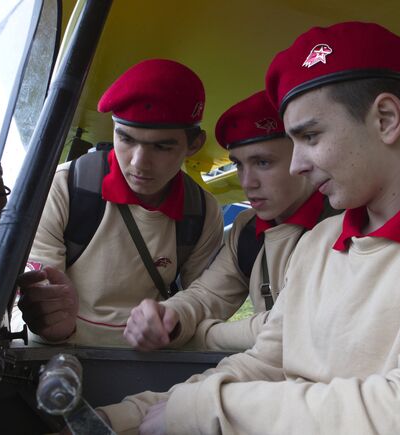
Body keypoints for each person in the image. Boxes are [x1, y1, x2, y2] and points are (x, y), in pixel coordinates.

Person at [99, 22, 400, 434]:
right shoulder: (319, 244)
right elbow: (265, 364)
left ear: (386, 119)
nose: (297, 164)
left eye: (310, 137)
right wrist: (133, 413)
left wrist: (201, 410)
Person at [15, 59, 224, 347]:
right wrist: (53, 322)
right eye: (125, 139)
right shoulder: (64, 187)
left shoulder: (202, 211)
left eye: (162, 146)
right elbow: (40, 303)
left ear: (194, 145)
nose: (139, 163)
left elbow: (204, 299)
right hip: (58, 356)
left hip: (152, 365)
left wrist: (174, 326)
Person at [122, 90, 339, 352]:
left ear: (303, 156)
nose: (247, 182)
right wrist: (169, 317)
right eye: (239, 164)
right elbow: (208, 295)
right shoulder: (247, 228)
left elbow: (293, 326)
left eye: (262, 162)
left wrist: (203, 337)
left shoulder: (346, 224)